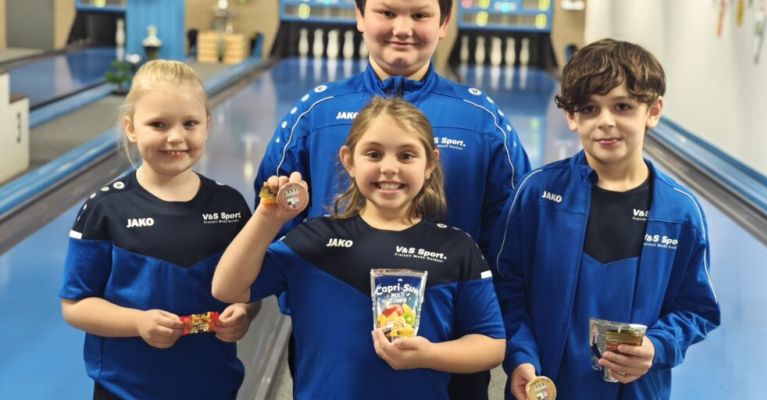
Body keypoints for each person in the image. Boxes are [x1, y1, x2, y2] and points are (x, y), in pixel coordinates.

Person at [255, 0, 530, 396]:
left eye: (420, 15)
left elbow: (514, 239)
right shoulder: (316, 112)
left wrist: (508, 339)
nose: (403, 28)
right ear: (360, 16)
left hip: (449, 339)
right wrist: (299, 298)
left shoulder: (482, 120)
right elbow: (270, 208)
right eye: (386, 12)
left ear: (444, 22)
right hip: (332, 339)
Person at [214, 97, 506, 399]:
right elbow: (227, 288)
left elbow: (491, 345)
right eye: (374, 154)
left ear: (430, 164)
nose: (389, 168)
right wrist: (266, 218)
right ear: (349, 160)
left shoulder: (457, 248)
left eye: (406, 156)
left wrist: (429, 355)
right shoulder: (314, 240)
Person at [490, 38, 721, 400]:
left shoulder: (680, 213)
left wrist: (657, 347)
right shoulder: (537, 195)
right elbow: (506, 289)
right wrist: (521, 356)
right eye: (589, 108)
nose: (606, 122)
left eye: (623, 106)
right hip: (546, 388)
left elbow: (696, 308)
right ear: (571, 117)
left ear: (653, 111)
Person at [59, 60, 260, 400]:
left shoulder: (231, 205)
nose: (176, 137)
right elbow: (76, 305)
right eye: (158, 124)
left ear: (207, 125)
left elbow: (249, 290)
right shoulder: (105, 209)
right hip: (125, 390)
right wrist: (138, 323)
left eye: (190, 123)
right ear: (131, 128)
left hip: (212, 386)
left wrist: (244, 313)